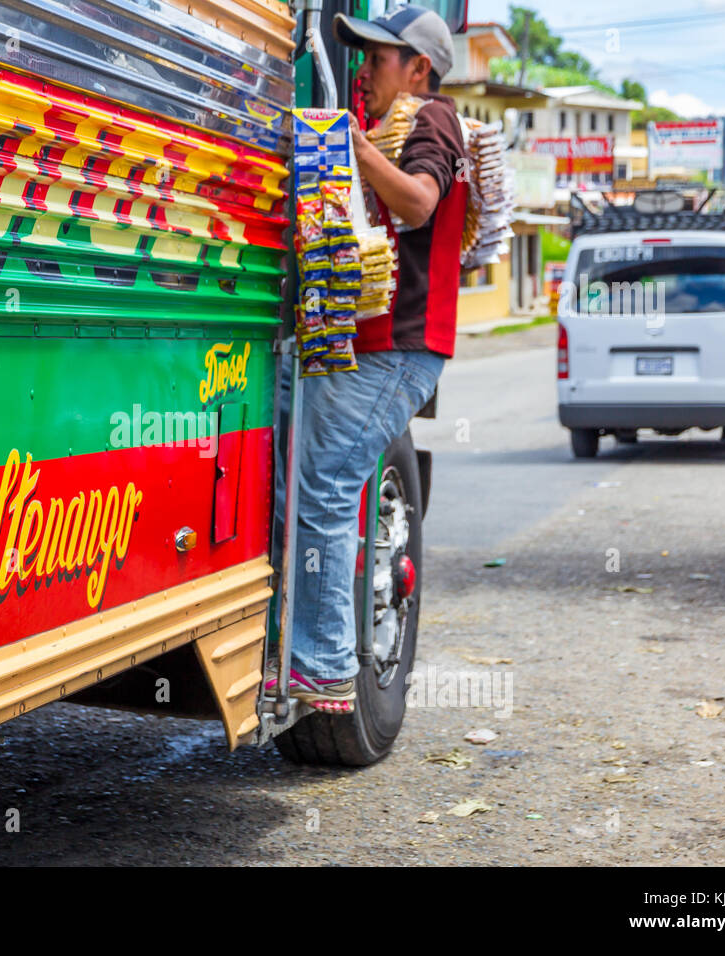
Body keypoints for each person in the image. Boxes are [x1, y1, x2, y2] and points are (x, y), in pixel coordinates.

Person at [273, 7, 469, 713]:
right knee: (291, 474)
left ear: (419, 69)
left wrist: (356, 150)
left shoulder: (434, 118)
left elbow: (418, 202)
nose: (363, 68)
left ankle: (324, 665)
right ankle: (290, 643)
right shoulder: (384, 116)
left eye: (379, 58)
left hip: (398, 350)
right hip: (362, 345)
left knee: (324, 485)